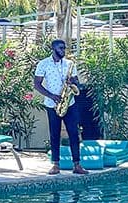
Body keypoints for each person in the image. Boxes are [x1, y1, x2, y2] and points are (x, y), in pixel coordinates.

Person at [34, 39, 88, 175]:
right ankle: (55, 165)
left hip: (69, 103)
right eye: (60, 48)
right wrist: (52, 96)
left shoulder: (70, 64)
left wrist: (73, 82)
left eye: (64, 48)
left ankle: (77, 165)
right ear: (53, 49)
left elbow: (77, 82)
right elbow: (37, 85)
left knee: (74, 134)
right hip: (52, 105)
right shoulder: (43, 64)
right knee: (54, 134)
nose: (63, 51)